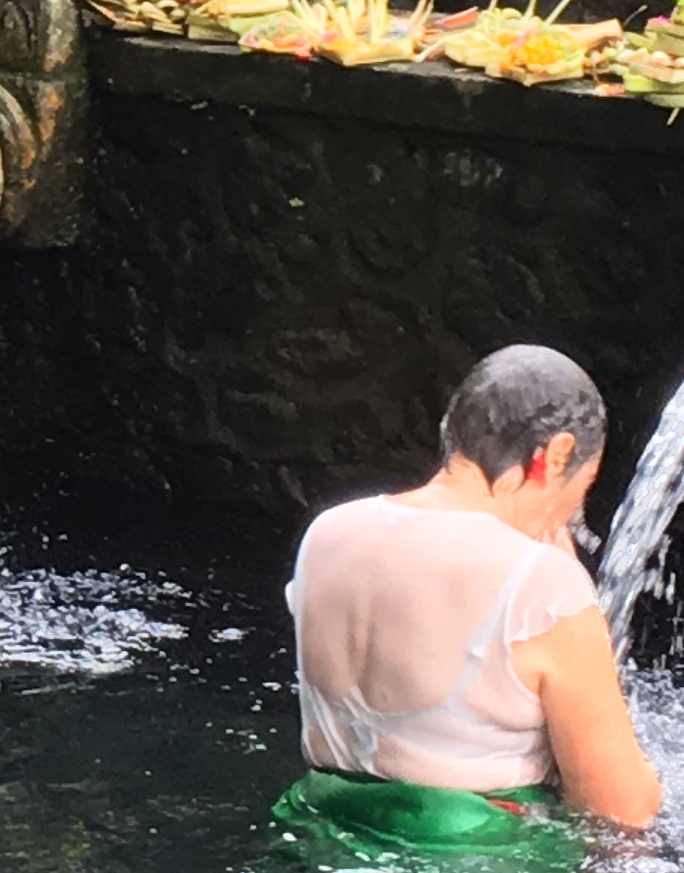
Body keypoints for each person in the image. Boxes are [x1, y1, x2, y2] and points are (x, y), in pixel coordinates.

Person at [283, 344, 662, 847]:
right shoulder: (543, 580)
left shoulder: (327, 534)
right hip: (468, 870)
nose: (570, 515)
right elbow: (621, 808)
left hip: (321, 836)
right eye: (581, 491)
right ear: (554, 457)